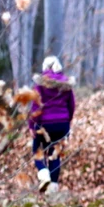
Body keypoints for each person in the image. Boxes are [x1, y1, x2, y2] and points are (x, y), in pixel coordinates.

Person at [29, 56, 75, 193]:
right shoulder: (66, 85)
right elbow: (71, 105)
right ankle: (53, 188)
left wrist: (32, 125)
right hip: (62, 124)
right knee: (54, 154)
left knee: (37, 151)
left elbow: (35, 106)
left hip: (44, 124)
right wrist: (67, 121)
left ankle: (44, 175)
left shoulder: (40, 85)